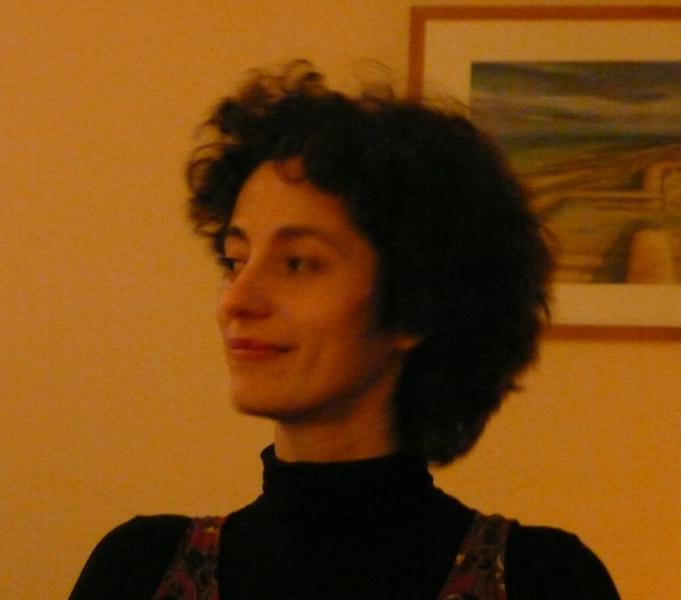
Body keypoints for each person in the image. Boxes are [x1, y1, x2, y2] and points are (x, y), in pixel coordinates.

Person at [69, 61, 619, 600]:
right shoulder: (138, 569)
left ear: (414, 305)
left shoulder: (544, 581)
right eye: (236, 261)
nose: (236, 300)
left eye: (297, 263)